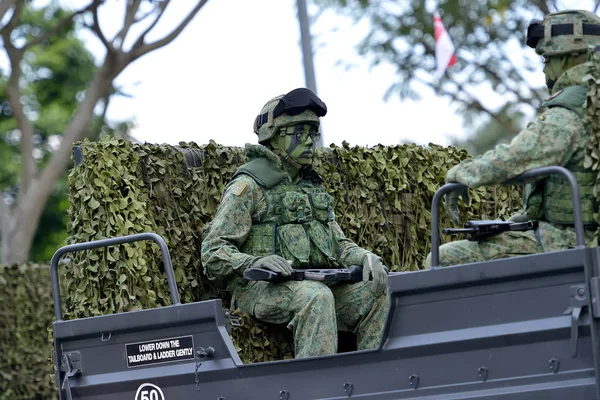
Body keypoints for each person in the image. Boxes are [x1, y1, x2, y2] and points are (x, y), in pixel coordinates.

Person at [201, 88, 389, 358]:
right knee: (316, 297)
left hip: (311, 286)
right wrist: (253, 262)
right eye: (300, 133)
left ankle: (371, 383)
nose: (311, 141)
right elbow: (213, 253)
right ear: (274, 137)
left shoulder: (311, 188)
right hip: (258, 290)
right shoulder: (248, 187)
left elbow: (339, 245)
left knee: (377, 289)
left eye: (313, 133)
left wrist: (364, 256)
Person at [425, 9, 600, 268]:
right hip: (580, 237)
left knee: (443, 259)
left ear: (570, 57)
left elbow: (516, 158)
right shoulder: (592, 102)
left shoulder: (570, 114)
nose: (544, 68)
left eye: (547, 59)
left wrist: (460, 174)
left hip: (569, 241)